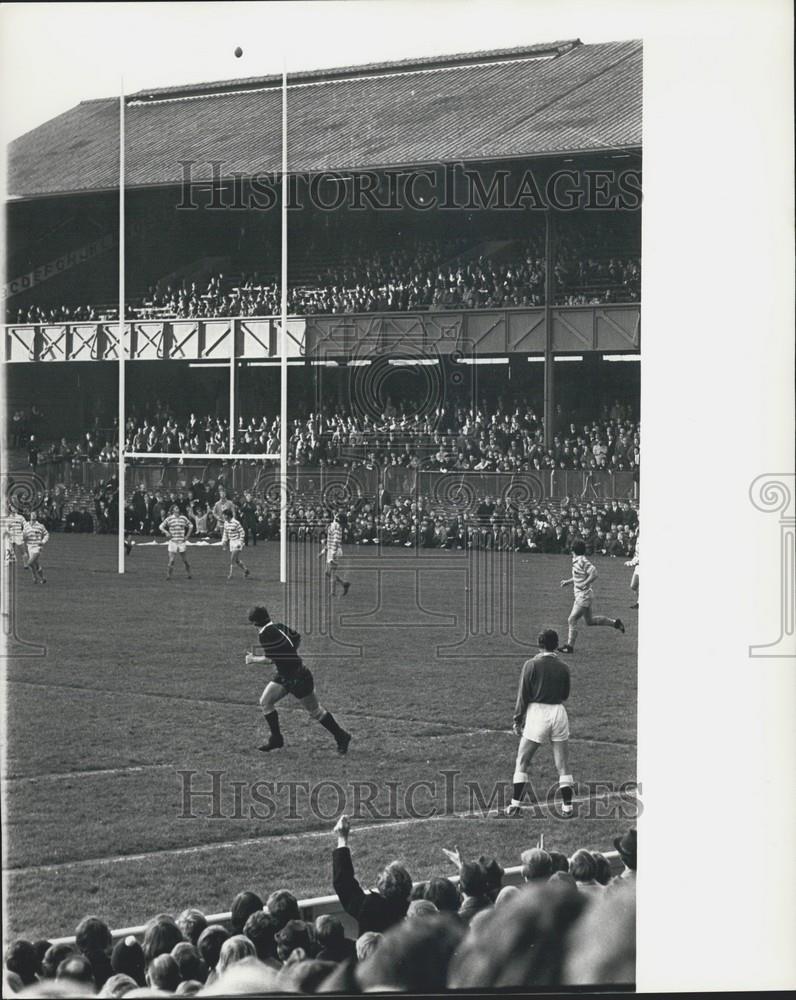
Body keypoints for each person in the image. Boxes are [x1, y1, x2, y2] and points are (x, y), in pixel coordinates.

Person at [244, 604, 352, 754]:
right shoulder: (279, 626)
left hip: (298, 678)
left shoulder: (265, 635)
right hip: (286, 675)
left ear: (255, 623)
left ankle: (342, 736)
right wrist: (288, 653)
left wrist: (252, 659)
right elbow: (297, 637)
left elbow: (270, 659)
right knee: (265, 702)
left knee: (316, 712)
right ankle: (276, 739)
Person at [505, 628, 575, 817]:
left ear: (539, 644)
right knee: (563, 765)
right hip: (559, 713)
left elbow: (523, 695)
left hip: (538, 714)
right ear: (556, 645)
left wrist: (517, 720)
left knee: (523, 760)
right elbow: (565, 694)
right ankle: (567, 807)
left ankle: (515, 804)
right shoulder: (564, 667)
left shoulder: (531, 665)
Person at [332, 814, 412, 933]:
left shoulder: (369, 907)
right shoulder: (413, 910)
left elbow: (343, 883)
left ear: (381, 886)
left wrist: (342, 839)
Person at [557, 540, 624, 653]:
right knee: (590, 621)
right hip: (582, 595)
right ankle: (615, 623)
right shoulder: (577, 560)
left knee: (572, 619)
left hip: (584, 596)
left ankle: (569, 646)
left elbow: (594, 573)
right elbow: (580, 575)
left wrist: (585, 583)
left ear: (573, 550)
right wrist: (568, 581)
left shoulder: (582, 560)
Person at [318, 512, 350, 597]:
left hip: (334, 551)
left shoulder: (336, 527)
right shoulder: (333, 526)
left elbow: (336, 540)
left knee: (331, 572)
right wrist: (323, 552)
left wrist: (334, 552)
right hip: (331, 551)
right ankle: (344, 584)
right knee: (327, 572)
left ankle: (332, 592)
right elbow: (330, 541)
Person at [159, 502, 193, 580]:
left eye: (178, 508)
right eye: (176, 508)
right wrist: (166, 532)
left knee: (185, 560)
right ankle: (168, 576)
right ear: (173, 510)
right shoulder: (169, 518)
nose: (178, 509)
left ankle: (189, 574)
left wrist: (187, 536)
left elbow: (191, 526)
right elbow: (161, 526)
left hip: (181, 542)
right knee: (171, 560)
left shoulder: (183, 518)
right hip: (173, 542)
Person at [221, 509, 250, 582]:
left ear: (228, 515)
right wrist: (224, 541)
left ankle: (230, 574)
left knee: (232, 558)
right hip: (231, 542)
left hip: (237, 542)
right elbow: (225, 533)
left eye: (224, 515)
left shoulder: (236, 523)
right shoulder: (226, 523)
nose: (223, 516)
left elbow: (242, 532)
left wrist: (240, 542)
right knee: (236, 560)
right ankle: (246, 570)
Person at [22, 509, 49, 584]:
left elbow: (46, 534)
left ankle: (34, 577)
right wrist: (24, 537)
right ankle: (42, 578)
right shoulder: (26, 525)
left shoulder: (40, 526)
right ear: (30, 515)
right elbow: (23, 536)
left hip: (38, 547)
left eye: (35, 514)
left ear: (36, 516)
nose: (33, 515)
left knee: (29, 563)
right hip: (30, 547)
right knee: (36, 564)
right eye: (32, 514)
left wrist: (43, 542)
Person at [624, 539, 639, 608]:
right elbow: (636, 555)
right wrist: (632, 561)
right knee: (633, 586)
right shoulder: (638, 539)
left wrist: (631, 563)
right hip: (638, 567)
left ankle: (639, 603)